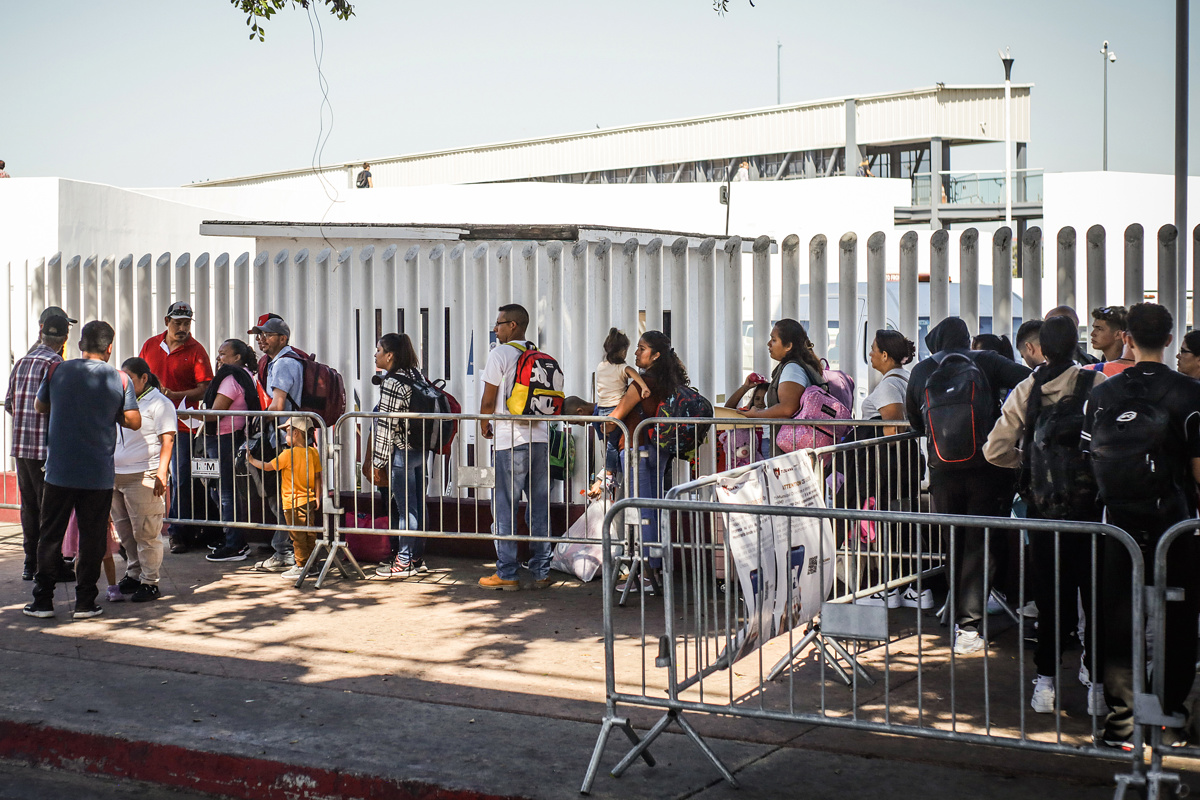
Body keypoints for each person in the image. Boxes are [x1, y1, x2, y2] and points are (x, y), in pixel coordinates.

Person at [1082, 302, 1200, 750]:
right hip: (1176, 525)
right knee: (1177, 621)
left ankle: (1122, 726)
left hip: (1118, 525)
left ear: (1127, 337)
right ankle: (1168, 720)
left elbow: (1087, 457)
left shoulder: (1103, 394)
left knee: (1119, 621)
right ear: (1170, 340)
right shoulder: (1190, 394)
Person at [984, 316, 1107, 714]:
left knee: (1051, 599)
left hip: (1044, 513)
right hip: (1091, 513)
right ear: (1075, 345)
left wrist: (1028, 464)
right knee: (1095, 599)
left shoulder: (1027, 388)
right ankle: (1096, 687)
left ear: (1041, 348)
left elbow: (994, 450)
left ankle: (1046, 685)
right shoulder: (1098, 385)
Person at [905, 317, 1031, 655]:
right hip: (989, 467)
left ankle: (958, 615)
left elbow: (915, 422)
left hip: (943, 469)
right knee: (982, 542)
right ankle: (969, 627)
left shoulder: (921, 371)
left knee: (954, 540)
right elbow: (1031, 383)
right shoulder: (986, 360)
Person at [24, 321, 140, 620]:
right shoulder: (121, 379)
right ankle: (86, 603)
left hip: (59, 471)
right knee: (92, 538)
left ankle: (43, 601)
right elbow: (134, 421)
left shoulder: (57, 370)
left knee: (50, 536)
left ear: (79, 344)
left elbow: (39, 407)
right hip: (98, 473)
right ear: (110, 348)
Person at [606, 330, 691, 592]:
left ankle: (647, 576)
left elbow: (615, 418)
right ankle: (657, 572)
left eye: (641, 348)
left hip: (635, 448)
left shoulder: (643, 383)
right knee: (654, 509)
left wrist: (601, 420)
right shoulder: (671, 381)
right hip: (660, 450)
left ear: (655, 355)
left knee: (642, 513)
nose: (636, 352)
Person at [477, 303, 553, 591]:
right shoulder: (540, 355)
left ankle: (507, 573)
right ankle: (541, 571)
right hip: (541, 440)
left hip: (511, 441)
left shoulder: (500, 354)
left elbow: (488, 399)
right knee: (539, 507)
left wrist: (484, 423)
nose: (495, 329)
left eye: (499, 323)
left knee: (506, 506)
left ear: (513, 325)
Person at [138, 301, 214, 554]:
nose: (182, 328)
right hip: (149, 422)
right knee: (148, 474)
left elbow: (205, 388)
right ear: (166, 321)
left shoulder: (197, 350)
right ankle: (145, 526)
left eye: (187, 323)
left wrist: (175, 393)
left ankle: (177, 531)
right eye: (177, 322)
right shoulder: (150, 345)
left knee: (180, 477)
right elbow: (139, 378)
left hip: (182, 424)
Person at [4, 313, 68, 581]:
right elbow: (62, 407)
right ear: (64, 339)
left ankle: (30, 563)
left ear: (42, 333)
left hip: (21, 447)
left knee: (29, 506)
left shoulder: (21, 363)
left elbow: (8, 404)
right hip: (46, 449)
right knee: (50, 509)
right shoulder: (56, 364)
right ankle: (49, 564)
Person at [110, 357, 176, 602]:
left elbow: (167, 439)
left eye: (129, 380)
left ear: (144, 378)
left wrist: (161, 472)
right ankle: (134, 572)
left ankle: (150, 581)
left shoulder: (159, 403)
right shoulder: (121, 402)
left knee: (146, 532)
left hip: (144, 474)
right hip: (116, 475)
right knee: (125, 531)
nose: (124, 385)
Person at [247, 314, 306, 572]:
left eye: (267, 334)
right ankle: (288, 549)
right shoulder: (281, 361)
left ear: (282, 338)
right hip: (287, 436)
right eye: (259, 335)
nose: (261, 339)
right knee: (283, 496)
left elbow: (278, 404)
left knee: (282, 497)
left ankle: (286, 551)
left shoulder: (283, 364)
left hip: (285, 439)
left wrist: (255, 418)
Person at [370, 334, 431, 580]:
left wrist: (377, 462)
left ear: (390, 355)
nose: (375, 355)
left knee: (407, 509)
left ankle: (404, 561)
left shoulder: (393, 382)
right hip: (419, 448)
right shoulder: (416, 375)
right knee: (418, 505)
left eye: (378, 350)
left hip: (401, 451)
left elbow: (386, 426)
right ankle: (416, 557)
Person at [203, 339, 264, 563]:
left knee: (225, 492)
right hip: (226, 438)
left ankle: (234, 544)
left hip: (225, 439)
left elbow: (213, 413)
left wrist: (181, 411)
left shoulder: (230, 379)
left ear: (237, 357)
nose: (219, 358)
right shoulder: (242, 375)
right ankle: (232, 536)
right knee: (218, 490)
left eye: (223, 354)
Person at [246, 417, 322, 581]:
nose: (285, 435)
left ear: (295, 433)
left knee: (297, 536)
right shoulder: (313, 452)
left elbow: (267, 467)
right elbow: (317, 477)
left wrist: (251, 460)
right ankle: (312, 564)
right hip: (308, 500)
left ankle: (301, 565)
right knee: (309, 533)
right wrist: (318, 496)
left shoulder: (287, 455)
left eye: (287, 432)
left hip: (292, 503)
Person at [588, 328, 650, 498]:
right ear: (623, 351)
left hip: (599, 411)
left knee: (607, 444)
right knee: (612, 445)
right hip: (614, 410)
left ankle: (606, 474)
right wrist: (644, 387)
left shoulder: (601, 366)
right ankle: (608, 474)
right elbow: (635, 375)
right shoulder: (623, 367)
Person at [737, 319, 824, 425]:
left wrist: (757, 414)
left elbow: (787, 408)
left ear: (788, 346)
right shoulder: (803, 365)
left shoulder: (792, 369)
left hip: (793, 439)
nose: (769, 344)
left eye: (774, 340)